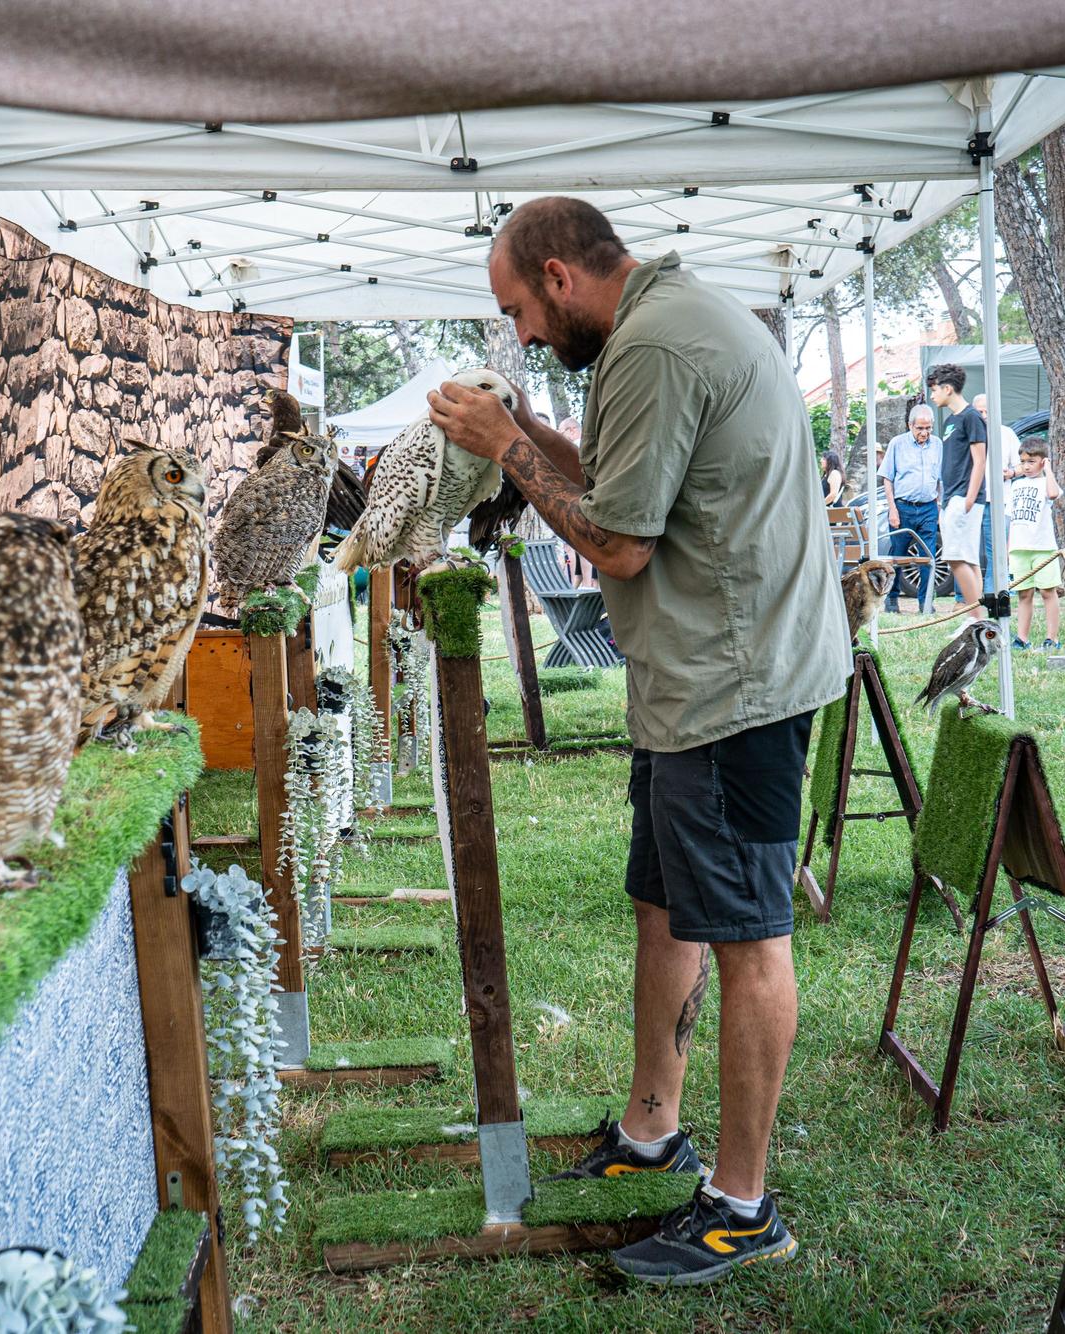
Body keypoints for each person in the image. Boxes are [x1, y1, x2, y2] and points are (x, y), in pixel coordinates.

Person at [427, 196, 848, 1286]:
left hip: (736, 687)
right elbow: (623, 484)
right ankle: (652, 1127)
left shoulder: (654, 346)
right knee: (663, 901)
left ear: (561, 277)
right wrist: (523, 430)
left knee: (749, 935)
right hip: (696, 679)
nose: (520, 332)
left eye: (518, 309)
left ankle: (744, 1204)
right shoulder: (653, 327)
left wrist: (505, 445)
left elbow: (614, 541)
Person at [928, 363, 988, 617]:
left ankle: (977, 620)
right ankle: (978, 620)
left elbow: (980, 460)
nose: (932, 396)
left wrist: (969, 498)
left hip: (964, 498)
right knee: (968, 559)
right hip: (952, 496)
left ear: (948, 389)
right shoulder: (951, 420)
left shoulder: (971, 416)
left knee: (955, 558)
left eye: (934, 390)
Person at [880, 403, 942, 614]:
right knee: (897, 556)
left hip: (928, 508)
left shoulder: (937, 444)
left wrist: (939, 505)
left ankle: (925, 603)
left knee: (928, 557)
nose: (924, 433)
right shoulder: (897, 444)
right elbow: (887, 478)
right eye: (920, 428)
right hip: (903, 507)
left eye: (928, 428)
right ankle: (892, 600)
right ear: (910, 425)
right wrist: (892, 509)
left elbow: (939, 478)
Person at [1004, 439, 1063, 651]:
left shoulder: (1045, 483)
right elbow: (1010, 519)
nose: (1027, 466)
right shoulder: (1016, 485)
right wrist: (1008, 549)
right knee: (1024, 595)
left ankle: (1052, 638)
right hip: (1019, 549)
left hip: (1043, 547)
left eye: (1032, 461)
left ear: (1042, 461)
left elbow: (1054, 494)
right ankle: (1022, 638)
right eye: (1023, 462)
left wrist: (1048, 470)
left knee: (1048, 592)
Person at [973, 394, 1019, 596]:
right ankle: (967, 595)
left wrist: (1011, 473)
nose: (983, 415)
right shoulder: (969, 434)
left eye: (986, 411)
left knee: (997, 551)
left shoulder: (1006, 434)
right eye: (979, 412)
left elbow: (1020, 463)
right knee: (969, 552)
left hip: (999, 502)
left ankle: (995, 591)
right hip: (973, 501)